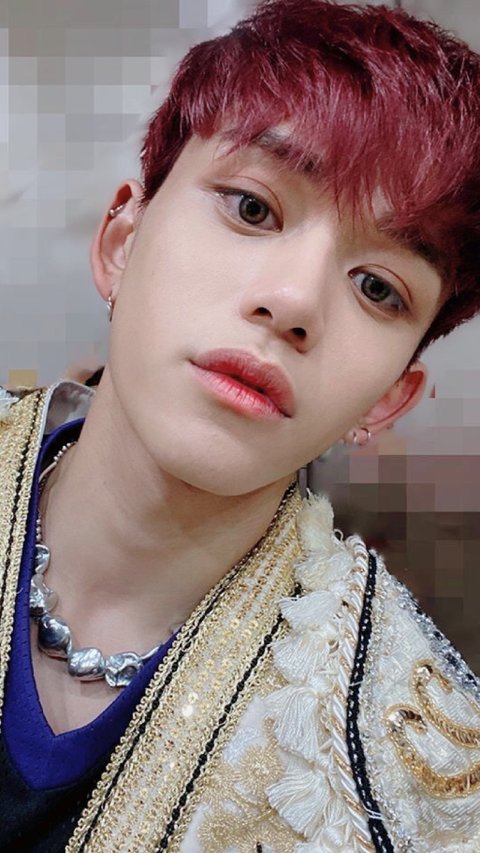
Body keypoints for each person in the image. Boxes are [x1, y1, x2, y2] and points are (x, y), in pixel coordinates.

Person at [1, 1, 479, 849]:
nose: (293, 301)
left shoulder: (420, 788)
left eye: (378, 287)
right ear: (122, 240)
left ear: (387, 399)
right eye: (253, 208)